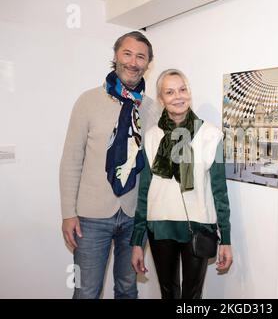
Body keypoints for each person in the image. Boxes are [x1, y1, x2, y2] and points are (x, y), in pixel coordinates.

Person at [60, 31, 162, 299]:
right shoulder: (88, 101)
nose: (133, 62)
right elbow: (71, 159)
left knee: (128, 290)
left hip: (133, 217)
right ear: (115, 56)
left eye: (140, 57)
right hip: (91, 217)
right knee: (87, 292)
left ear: (147, 64)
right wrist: (68, 213)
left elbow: (157, 166)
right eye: (127, 53)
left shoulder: (153, 110)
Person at [130, 69, 233, 299]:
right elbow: (144, 190)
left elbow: (220, 191)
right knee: (168, 294)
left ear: (189, 93)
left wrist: (225, 238)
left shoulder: (211, 135)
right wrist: (137, 241)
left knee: (192, 297)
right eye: (169, 91)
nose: (178, 96)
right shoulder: (151, 136)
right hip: (159, 227)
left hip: (198, 228)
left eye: (182, 89)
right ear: (161, 99)